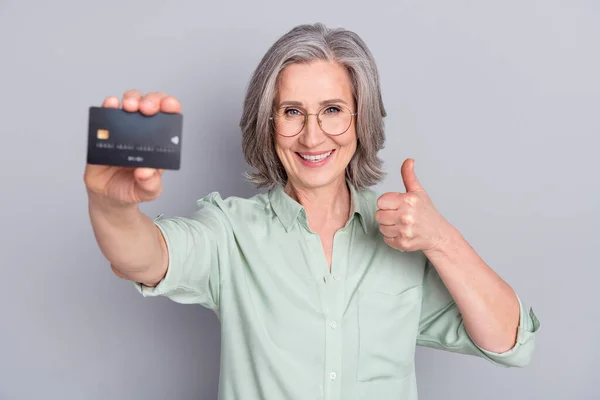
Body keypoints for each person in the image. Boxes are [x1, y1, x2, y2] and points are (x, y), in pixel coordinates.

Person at [85, 23, 540, 400]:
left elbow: (511, 342)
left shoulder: (405, 236)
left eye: (333, 110)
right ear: (268, 123)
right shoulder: (232, 232)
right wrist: (111, 205)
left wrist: (442, 240)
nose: (313, 136)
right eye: (292, 112)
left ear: (361, 121)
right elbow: (141, 257)